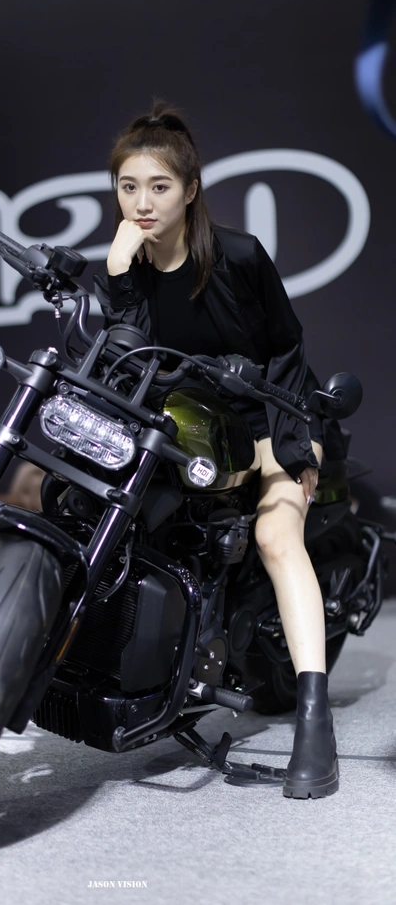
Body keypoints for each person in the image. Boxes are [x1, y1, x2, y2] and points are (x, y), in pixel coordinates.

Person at [94, 101, 346, 799]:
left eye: (160, 186)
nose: (142, 203)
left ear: (191, 189)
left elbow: (288, 349)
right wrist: (115, 273)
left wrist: (294, 448)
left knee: (275, 536)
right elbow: (127, 359)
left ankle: (315, 721)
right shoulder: (126, 266)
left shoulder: (237, 255)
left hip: (269, 419)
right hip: (191, 435)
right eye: (128, 187)